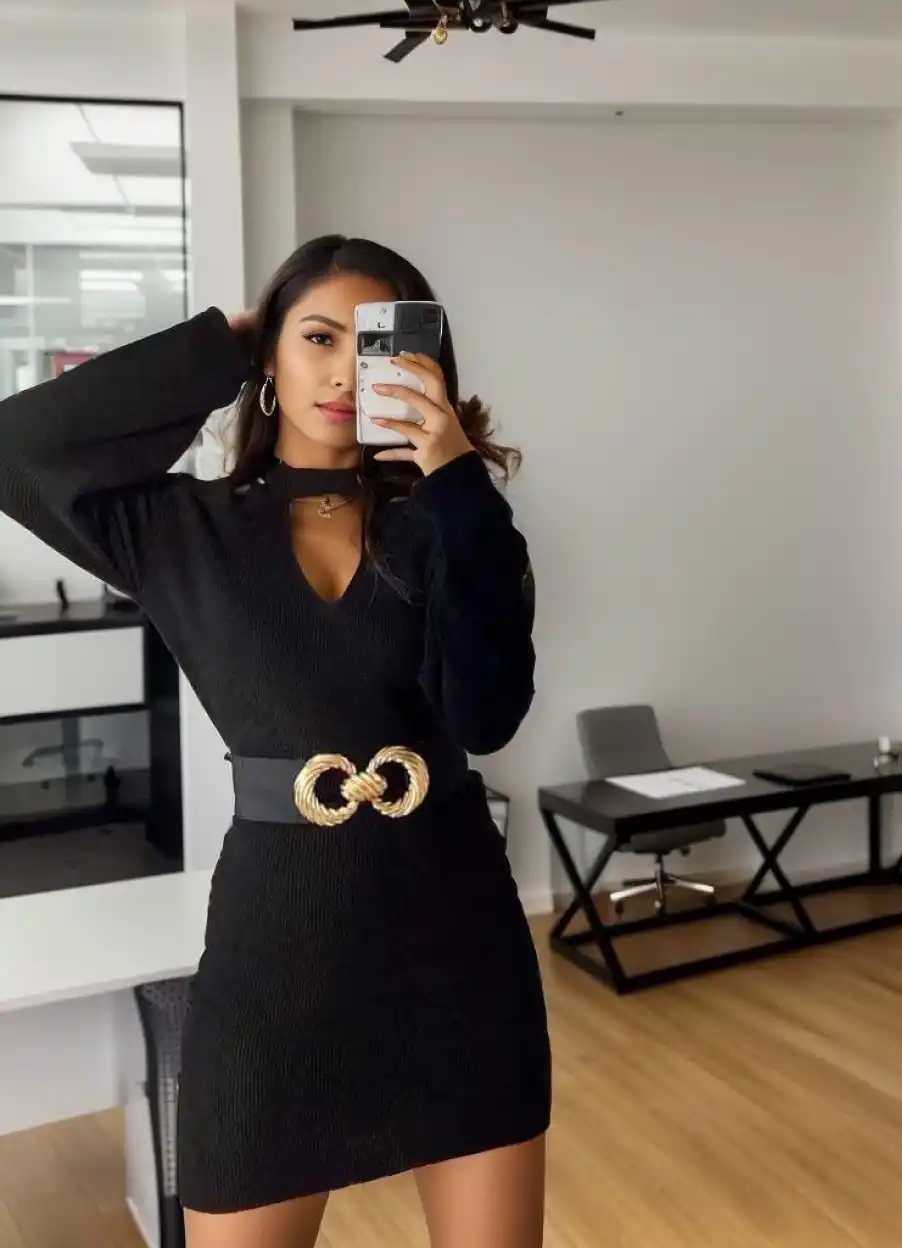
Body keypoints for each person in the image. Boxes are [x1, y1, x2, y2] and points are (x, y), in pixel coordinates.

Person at [0, 235, 551, 1248]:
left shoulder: (448, 523)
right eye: (317, 338)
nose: (343, 372)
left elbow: (487, 719)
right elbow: (16, 450)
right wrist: (219, 346)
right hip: (278, 957)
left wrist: (459, 484)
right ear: (270, 358)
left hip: (459, 945)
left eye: (373, 343)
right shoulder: (178, 528)